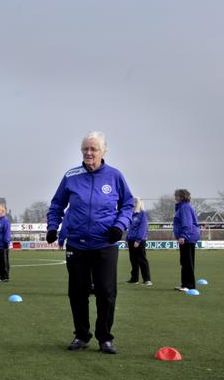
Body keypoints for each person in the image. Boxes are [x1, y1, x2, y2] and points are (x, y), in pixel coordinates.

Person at [46, 131, 134, 354]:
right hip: (77, 244)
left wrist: (119, 226)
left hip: (105, 244)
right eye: (86, 148)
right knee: (77, 292)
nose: (89, 152)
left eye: (94, 149)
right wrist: (52, 227)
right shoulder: (71, 176)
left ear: (104, 151)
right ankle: (81, 336)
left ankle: (105, 338)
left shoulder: (115, 176)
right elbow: (57, 204)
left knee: (106, 293)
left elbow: (128, 205)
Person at [173, 188, 200, 291]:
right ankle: (184, 284)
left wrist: (183, 236)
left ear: (181, 197)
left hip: (188, 238)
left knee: (187, 262)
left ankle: (189, 285)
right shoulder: (183, 207)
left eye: (176, 196)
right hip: (188, 237)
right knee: (184, 262)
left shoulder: (185, 208)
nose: (175, 197)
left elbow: (187, 223)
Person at [125, 196, 152, 285]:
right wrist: (127, 239)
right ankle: (134, 279)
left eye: (134, 202)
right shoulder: (132, 215)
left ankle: (147, 280)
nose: (133, 204)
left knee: (141, 260)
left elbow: (143, 228)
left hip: (139, 241)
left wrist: (138, 240)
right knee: (133, 260)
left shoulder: (143, 214)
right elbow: (130, 228)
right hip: (131, 240)